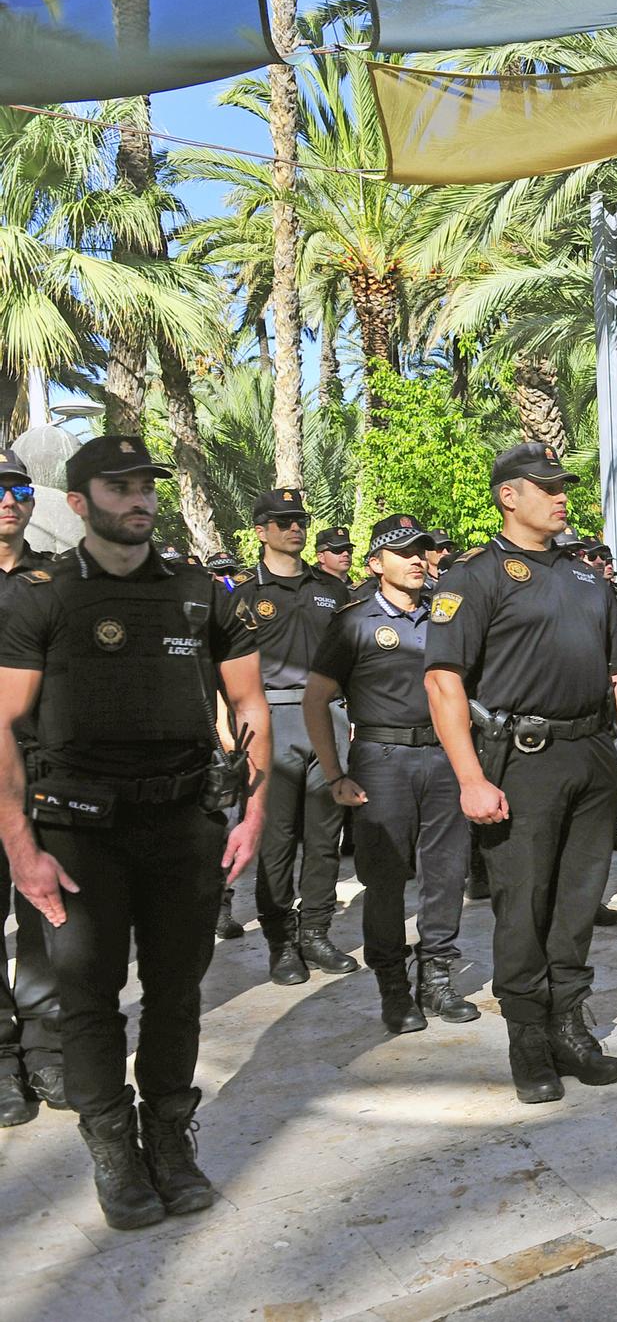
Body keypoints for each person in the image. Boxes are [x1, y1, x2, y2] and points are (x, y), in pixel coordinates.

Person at [0, 434, 270, 1229]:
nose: (138, 499)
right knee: (88, 999)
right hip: (78, 832)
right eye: (117, 487)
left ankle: (169, 1136)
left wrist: (252, 811)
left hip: (184, 823)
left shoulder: (198, 589)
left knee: (177, 991)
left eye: (146, 484)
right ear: (79, 502)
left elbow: (249, 705)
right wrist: (23, 850)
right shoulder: (40, 595)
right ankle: (112, 1145)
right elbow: (6, 725)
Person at [425, 440, 617, 1106]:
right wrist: (470, 776)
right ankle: (528, 1034)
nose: (562, 496)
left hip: (590, 755)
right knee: (523, 904)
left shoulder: (587, 578)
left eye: (564, 486)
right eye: (547, 486)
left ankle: (567, 1023)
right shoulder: (474, 576)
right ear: (508, 495)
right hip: (518, 760)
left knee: (579, 898)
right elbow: (443, 683)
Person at [304, 515, 479, 1035]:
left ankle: (438, 977)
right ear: (376, 564)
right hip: (381, 762)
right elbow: (317, 701)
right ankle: (393, 986)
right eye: (403, 552)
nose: (417, 560)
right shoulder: (352, 621)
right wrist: (335, 773)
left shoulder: (446, 616)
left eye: (422, 550)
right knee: (383, 882)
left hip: (445, 758)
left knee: (446, 874)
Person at [227, 488, 356, 980]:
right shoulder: (245, 594)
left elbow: (354, 656)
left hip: (329, 716)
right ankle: (281, 940)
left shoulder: (331, 588)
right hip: (270, 720)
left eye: (299, 520)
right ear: (261, 531)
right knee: (277, 838)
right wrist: (229, 729)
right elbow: (224, 670)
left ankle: (317, 932)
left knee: (326, 835)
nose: (294, 528)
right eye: (282, 522)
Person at [0, 449, 60, 1124]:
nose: (7, 500)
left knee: (48, 914)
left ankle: (48, 1048)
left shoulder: (58, 579)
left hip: (44, 773)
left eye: (17, 488)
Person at [313, 528, 356, 594]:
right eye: (338, 550)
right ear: (321, 557)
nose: (346, 554)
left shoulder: (359, 590)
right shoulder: (309, 587)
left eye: (349, 550)